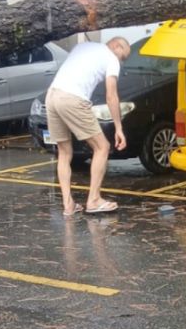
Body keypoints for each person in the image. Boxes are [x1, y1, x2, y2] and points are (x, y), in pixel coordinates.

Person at [45, 37, 131, 216]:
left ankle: (68, 205)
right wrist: (118, 128)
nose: (122, 61)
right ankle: (93, 200)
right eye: (123, 56)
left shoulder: (83, 46)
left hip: (52, 96)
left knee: (64, 152)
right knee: (102, 147)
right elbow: (111, 96)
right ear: (116, 45)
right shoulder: (111, 59)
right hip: (73, 99)